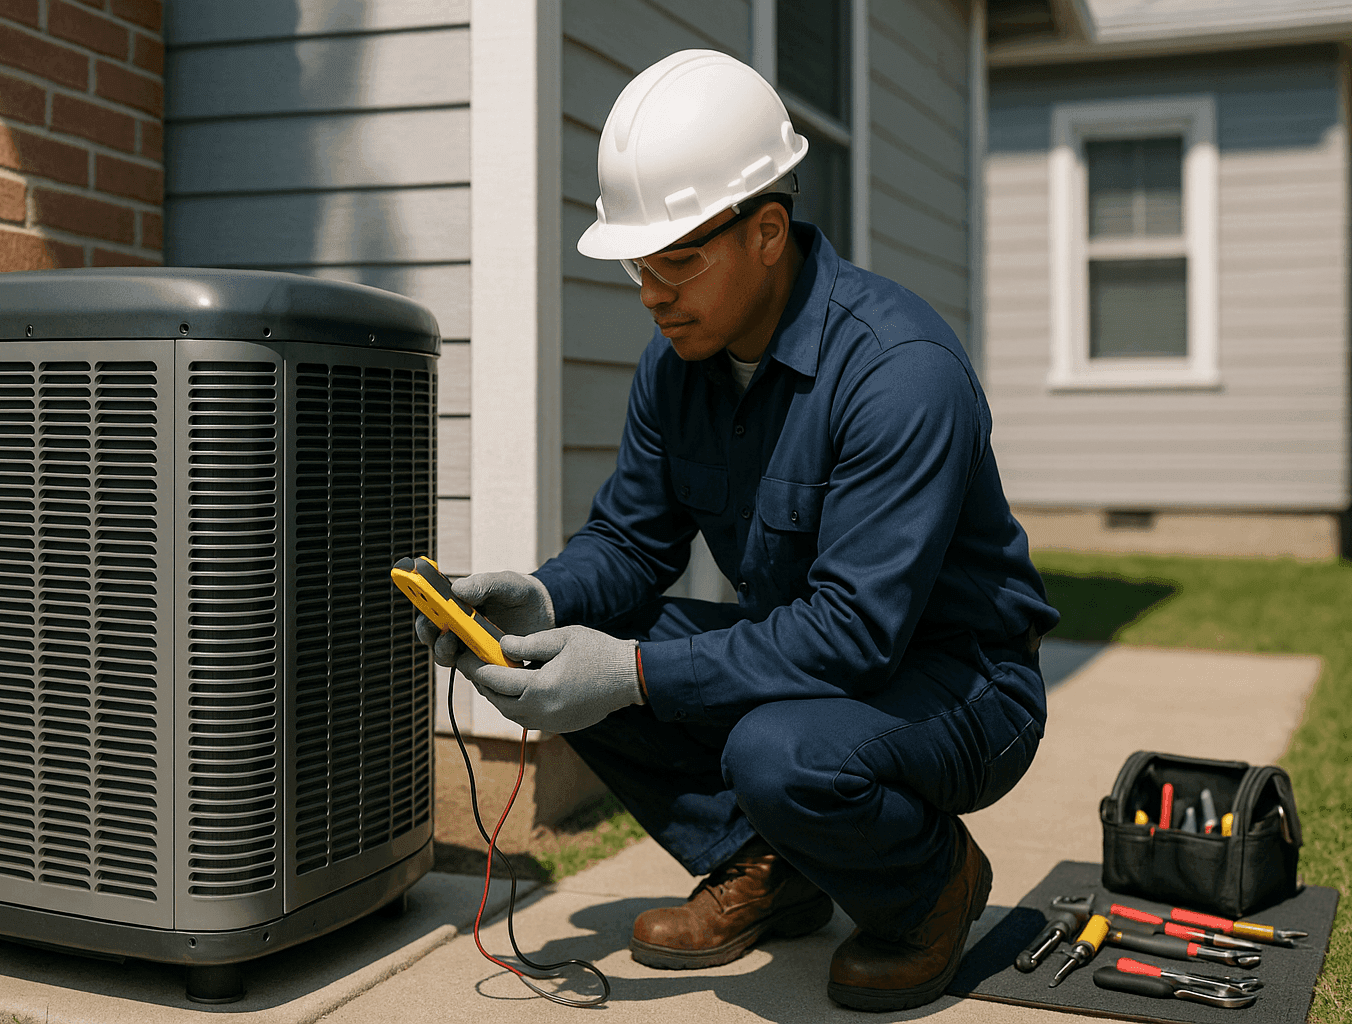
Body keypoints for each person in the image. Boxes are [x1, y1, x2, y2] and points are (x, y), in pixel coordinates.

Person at [417, 49, 1059, 1012]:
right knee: (570, 657)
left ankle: (934, 886)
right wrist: (538, 601)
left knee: (775, 748)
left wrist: (632, 672)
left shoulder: (900, 369)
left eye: (677, 259)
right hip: (827, 656)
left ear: (767, 232)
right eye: (639, 262)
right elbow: (632, 546)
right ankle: (773, 867)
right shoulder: (677, 368)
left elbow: (856, 632)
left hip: (964, 682)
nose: (650, 291)